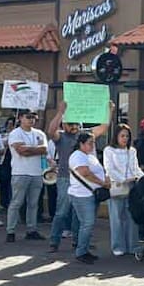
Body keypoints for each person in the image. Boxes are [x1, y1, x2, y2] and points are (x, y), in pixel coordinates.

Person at [47, 101, 110, 253]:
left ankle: (78, 241)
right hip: (65, 178)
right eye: (70, 123)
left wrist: (109, 110)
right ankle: (54, 242)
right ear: (64, 124)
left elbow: (103, 127)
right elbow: (51, 131)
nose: (73, 126)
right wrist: (60, 112)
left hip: (84, 182)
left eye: (75, 123)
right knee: (62, 211)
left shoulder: (84, 136)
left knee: (78, 214)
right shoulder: (61, 137)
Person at [5, 111, 48, 243]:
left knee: (33, 203)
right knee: (16, 202)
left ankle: (31, 229)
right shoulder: (15, 133)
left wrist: (30, 149)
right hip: (20, 172)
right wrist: (36, 149)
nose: (31, 120)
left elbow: (44, 150)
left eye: (34, 118)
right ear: (20, 118)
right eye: (28, 117)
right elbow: (21, 151)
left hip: (37, 173)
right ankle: (10, 231)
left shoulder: (40, 133)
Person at [103, 124, 143, 257]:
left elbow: (135, 167)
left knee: (131, 216)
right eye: (122, 135)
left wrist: (142, 178)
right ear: (116, 136)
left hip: (131, 185)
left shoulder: (131, 150)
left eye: (127, 136)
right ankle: (118, 246)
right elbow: (109, 168)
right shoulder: (109, 150)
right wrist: (122, 179)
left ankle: (133, 245)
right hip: (117, 186)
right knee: (117, 217)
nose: (125, 138)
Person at [67, 132, 107, 265]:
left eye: (93, 143)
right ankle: (81, 252)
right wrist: (103, 183)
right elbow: (85, 173)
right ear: (81, 144)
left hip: (89, 194)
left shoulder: (88, 156)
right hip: (82, 195)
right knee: (87, 223)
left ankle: (84, 248)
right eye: (90, 143)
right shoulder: (78, 156)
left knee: (85, 224)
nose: (92, 145)